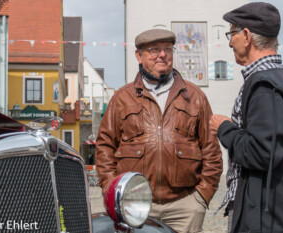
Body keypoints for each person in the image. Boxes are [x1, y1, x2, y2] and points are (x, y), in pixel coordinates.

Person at [95, 28, 223, 233]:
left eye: (167, 49)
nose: (162, 55)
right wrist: (112, 190)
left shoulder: (195, 96)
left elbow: (211, 151)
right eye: (154, 50)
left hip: (185, 207)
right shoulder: (122, 98)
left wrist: (201, 198)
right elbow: (105, 148)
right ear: (139, 55)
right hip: (135, 205)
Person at [209, 2, 283, 233]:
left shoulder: (265, 86)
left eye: (231, 33)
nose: (229, 42)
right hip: (277, 208)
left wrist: (224, 128)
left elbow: (261, 153)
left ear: (246, 36)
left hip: (265, 215)